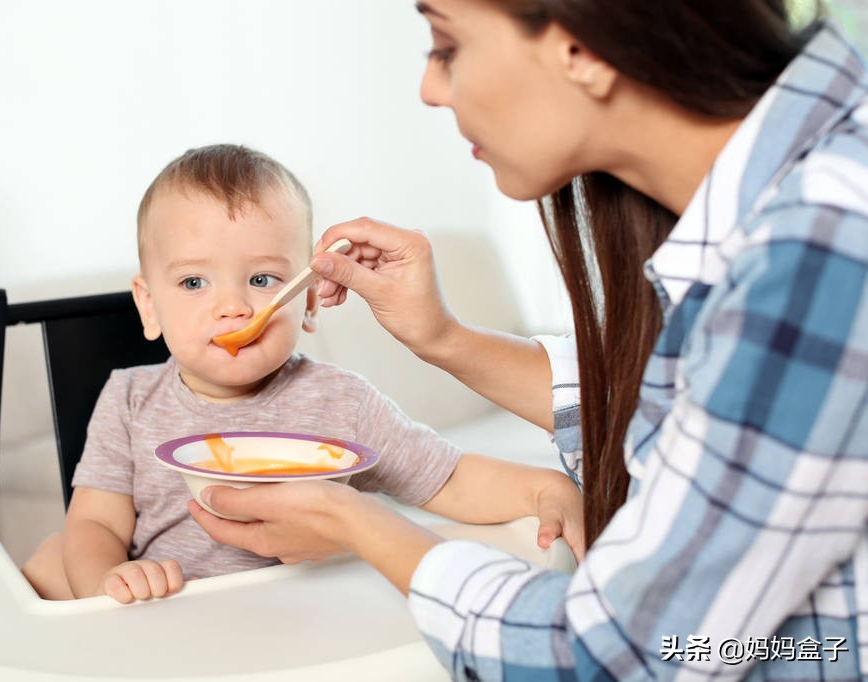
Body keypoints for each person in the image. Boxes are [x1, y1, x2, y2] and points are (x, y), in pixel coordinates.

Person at [189, 2, 868, 679]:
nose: (428, 88)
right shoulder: (800, 201)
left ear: (581, 50)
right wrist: (441, 337)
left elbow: (621, 657)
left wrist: (356, 522)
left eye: (446, 44)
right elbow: (713, 411)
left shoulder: (821, 246)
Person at [20, 143, 584, 604]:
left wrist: (545, 486)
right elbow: (94, 525)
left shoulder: (343, 403)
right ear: (148, 305)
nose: (233, 306)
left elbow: (449, 478)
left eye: (263, 280)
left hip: (307, 624)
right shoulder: (127, 401)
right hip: (171, 627)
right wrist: (107, 583)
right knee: (44, 562)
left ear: (310, 303)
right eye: (195, 283)